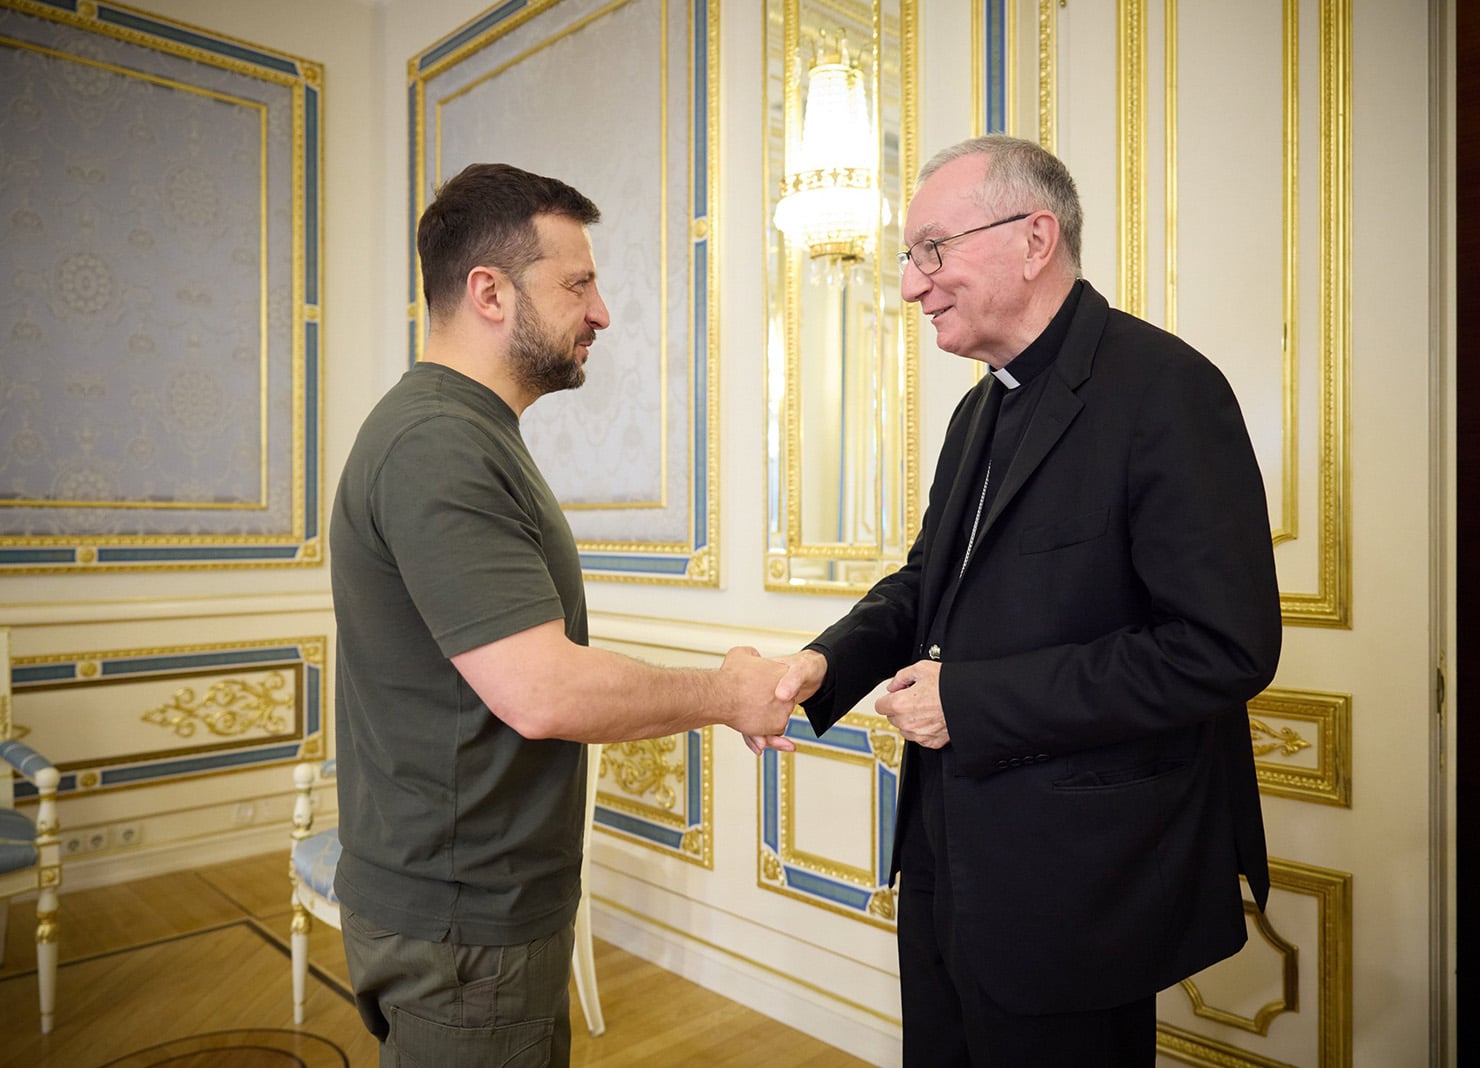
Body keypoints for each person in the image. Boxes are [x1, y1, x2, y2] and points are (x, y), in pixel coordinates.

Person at [754, 135, 1283, 1066]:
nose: (912, 285)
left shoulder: (1168, 390)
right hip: (946, 853)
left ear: (1034, 239)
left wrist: (972, 700)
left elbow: (1221, 648)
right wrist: (821, 663)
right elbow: (928, 582)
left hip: (1082, 883)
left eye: (931, 250)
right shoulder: (977, 409)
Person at [329, 162, 793, 1068]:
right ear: (490, 292)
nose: (602, 311)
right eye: (578, 283)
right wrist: (731, 693)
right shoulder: (437, 443)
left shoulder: (459, 432)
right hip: (465, 918)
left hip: (472, 904)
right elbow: (542, 691)